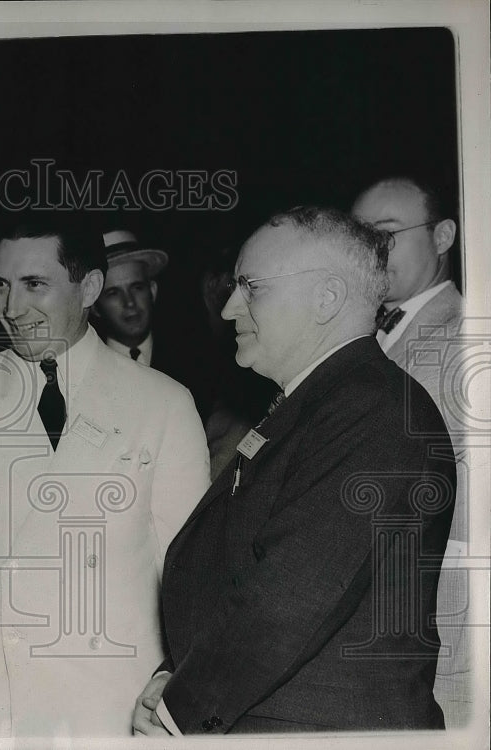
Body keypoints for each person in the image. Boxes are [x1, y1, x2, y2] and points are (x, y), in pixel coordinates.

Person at [132, 206, 456, 734]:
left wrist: (180, 710)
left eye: (251, 287)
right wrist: (178, 673)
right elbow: (238, 569)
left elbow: (290, 596)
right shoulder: (321, 403)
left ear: (326, 297)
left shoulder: (373, 411)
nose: (231, 305)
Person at [0, 217, 210, 737]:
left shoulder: (164, 404)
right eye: (0, 285)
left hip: (112, 715)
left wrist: (172, 694)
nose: (11, 309)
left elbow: (190, 578)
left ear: (88, 287)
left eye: (33, 284)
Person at [351, 176, 470, 727]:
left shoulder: (469, 341)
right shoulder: (355, 338)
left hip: (444, 637)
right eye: (360, 237)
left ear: (443, 236)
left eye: (388, 234)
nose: (370, 252)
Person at [91, 229, 168, 367]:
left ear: (153, 291)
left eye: (137, 288)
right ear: (95, 307)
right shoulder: (84, 369)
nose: (130, 302)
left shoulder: (195, 358)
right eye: (113, 293)